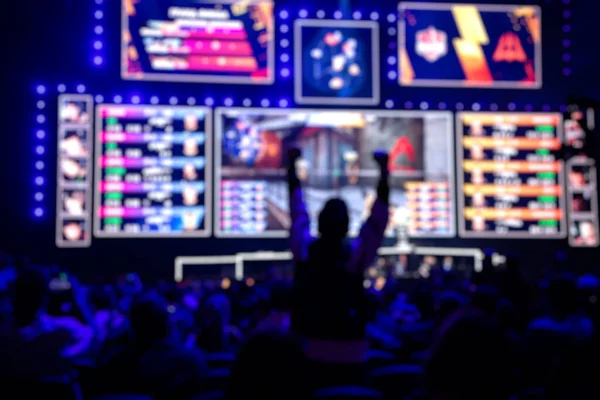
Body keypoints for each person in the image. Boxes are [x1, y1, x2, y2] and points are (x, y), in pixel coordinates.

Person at [287, 147, 389, 385]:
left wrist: (291, 166)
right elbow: (378, 219)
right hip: (353, 354)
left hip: (307, 351)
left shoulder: (304, 250)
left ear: (319, 222)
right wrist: (385, 171)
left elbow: (296, 210)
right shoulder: (355, 256)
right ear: (346, 226)